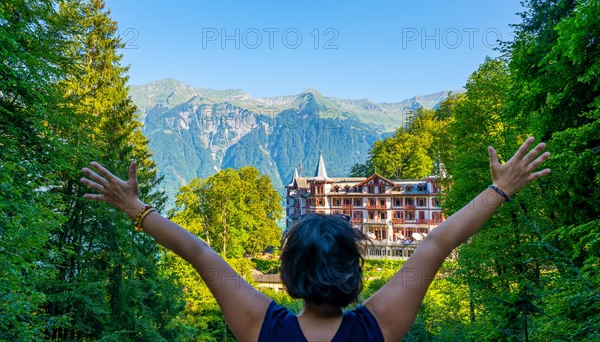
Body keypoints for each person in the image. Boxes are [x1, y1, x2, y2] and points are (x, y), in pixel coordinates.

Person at [80, 137, 551, 341]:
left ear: (286, 277)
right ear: (356, 272)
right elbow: (435, 243)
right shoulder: (375, 330)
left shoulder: (263, 329)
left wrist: (136, 209)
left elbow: (201, 253)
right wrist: (500, 188)